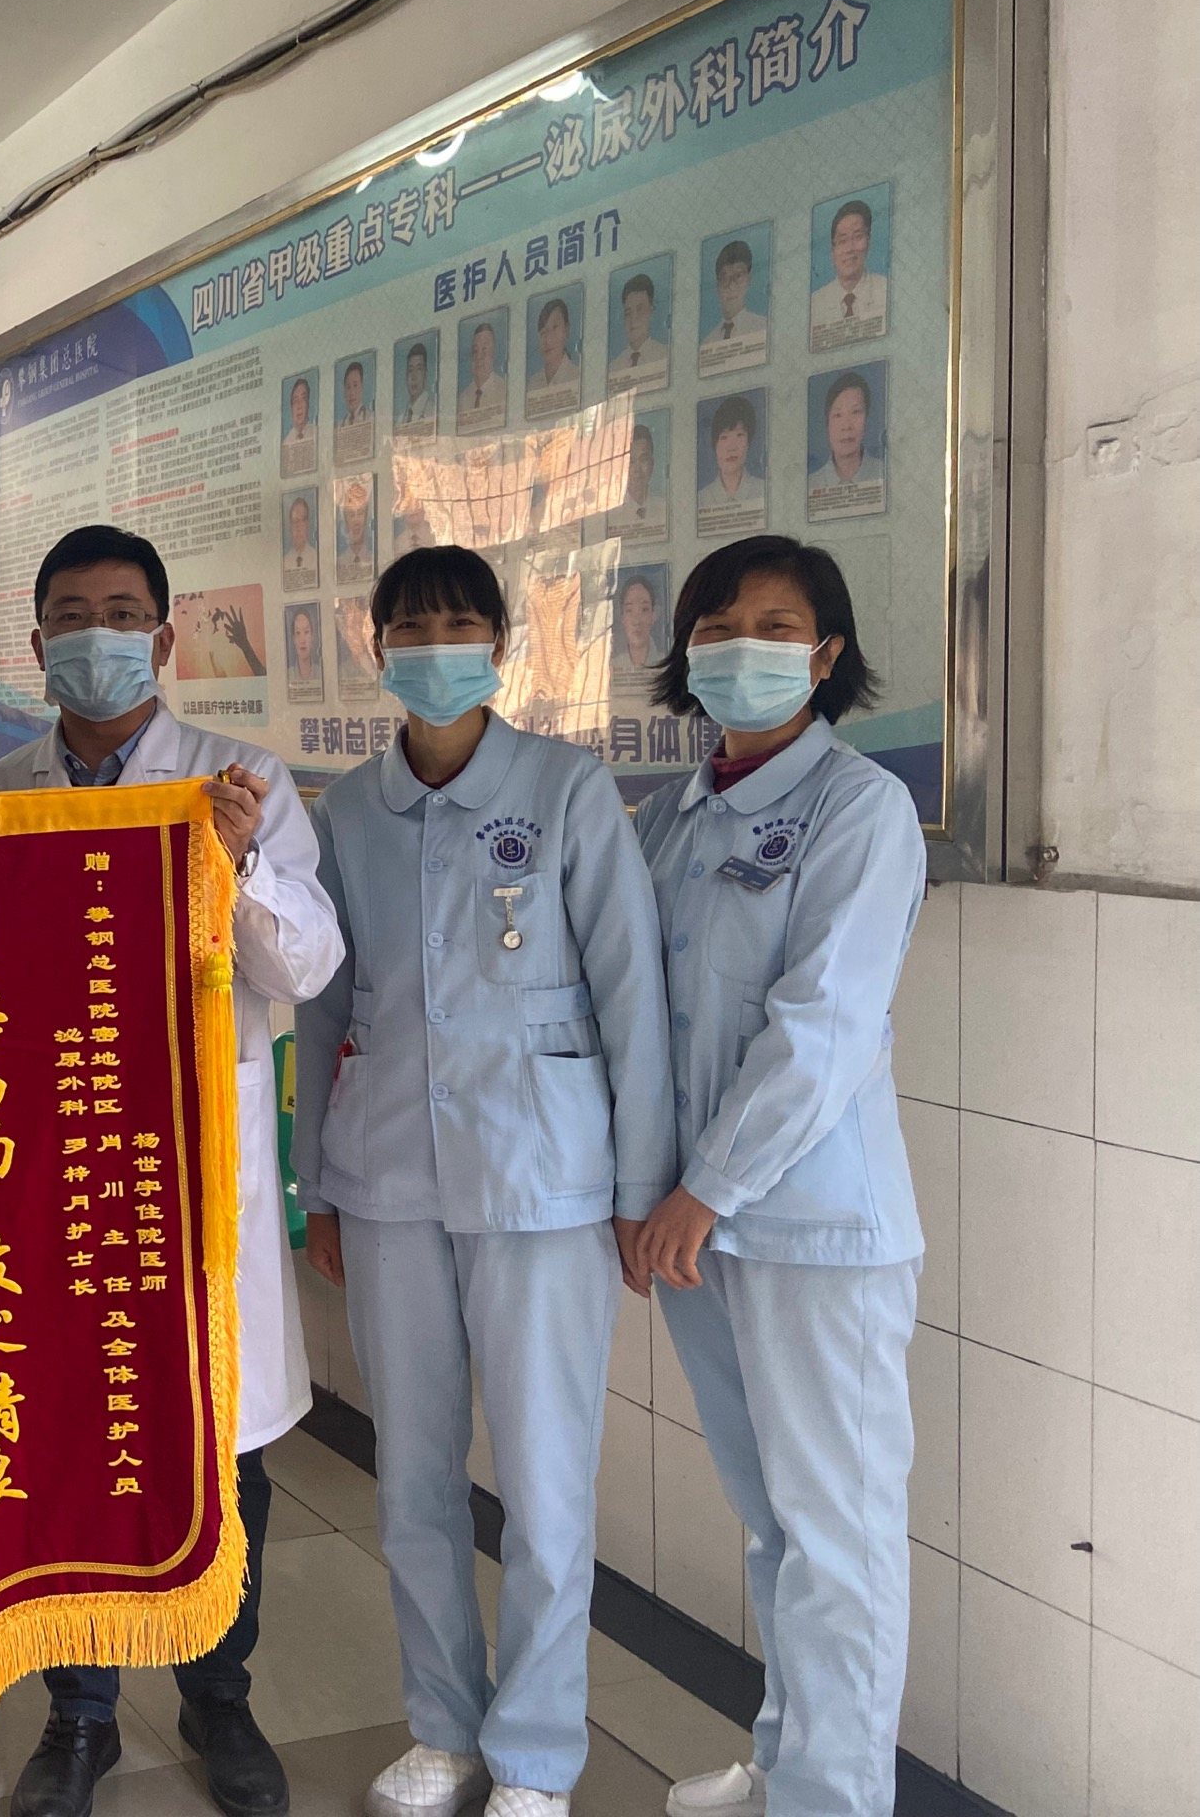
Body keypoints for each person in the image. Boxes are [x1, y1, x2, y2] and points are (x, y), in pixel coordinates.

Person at [291, 546, 671, 1817]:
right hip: (389, 1176)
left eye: (459, 624)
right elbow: (323, 1007)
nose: (435, 646)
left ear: (498, 645)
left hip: (546, 1184)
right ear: (379, 649)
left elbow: (630, 993)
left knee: (547, 1483)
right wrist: (316, 1185)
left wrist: (637, 1184)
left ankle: (537, 1755)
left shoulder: (566, 790)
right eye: (411, 627)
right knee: (412, 1476)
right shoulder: (349, 811)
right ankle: (444, 1727)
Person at [0, 525, 342, 1817]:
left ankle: (216, 1695)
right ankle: (77, 1714)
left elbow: (303, 966)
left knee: (216, 1444)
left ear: (165, 637)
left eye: (122, 612)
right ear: (37, 645)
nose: (98, 635)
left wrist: (235, 862)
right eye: (72, 615)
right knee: (67, 1439)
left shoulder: (239, 783)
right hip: (50, 1174)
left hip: (190, 1171)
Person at [630, 537, 924, 1817]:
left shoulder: (861, 809)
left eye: (775, 625)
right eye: (715, 624)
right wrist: (649, 1194)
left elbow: (824, 1025)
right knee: (773, 1521)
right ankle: (787, 1761)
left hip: (810, 1228)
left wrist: (703, 1187)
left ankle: (832, 1798)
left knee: (838, 1538)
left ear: (825, 653)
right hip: (700, 1229)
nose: (740, 644)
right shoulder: (669, 816)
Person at [807, 199, 886, 337]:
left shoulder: (886, 290)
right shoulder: (815, 304)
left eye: (857, 237)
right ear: (832, 250)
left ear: (868, 241)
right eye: (842, 241)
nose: (849, 249)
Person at [808, 371, 885, 497]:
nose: (847, 426)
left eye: (856, 412)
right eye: (838, 415)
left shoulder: (885, 472)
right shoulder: (811, 484)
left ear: (867, 419)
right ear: (827, 424)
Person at [700, 240, 768, 366]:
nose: (731, 286)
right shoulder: (708, 343)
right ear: (717, 285)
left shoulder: (764, 328)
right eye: (724, 278)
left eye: (738, 276)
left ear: (749, 279)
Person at [697, 397, 767, 519]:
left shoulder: (763, 490)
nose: (731, 447)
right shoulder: (700, 499)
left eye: (739, 435)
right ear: (715, 445)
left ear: (748, 442)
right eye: (724, 437)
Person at [608, 273, 668, 390]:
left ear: (651, 311)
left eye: (640, 309)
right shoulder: (613, 368)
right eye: (628, 312)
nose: (633, 319)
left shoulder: (665, 356)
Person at [526, 298, 580, 401]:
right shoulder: (532, 384)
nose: (548, 339)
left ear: (567, 330)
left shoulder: (578, 377)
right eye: (543, 332)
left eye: (555, 328)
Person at [460, 320, 506, 424]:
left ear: (493, 353)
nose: (479, 357)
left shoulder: (504, 392)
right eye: (475, 351)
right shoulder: (462, 399)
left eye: (484, 350)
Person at [617, 575, 662, 674]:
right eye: (629, 610)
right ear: (622, 618)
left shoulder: (665, 665)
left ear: (653, 615)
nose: (636, 621)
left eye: (644, 609)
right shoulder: (611, 668)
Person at [399, 342, 438, 428]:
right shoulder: (401, 416)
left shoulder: (433, 411)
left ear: (425, 373)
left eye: (419, 369)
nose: (414, 377)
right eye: (410, 370)